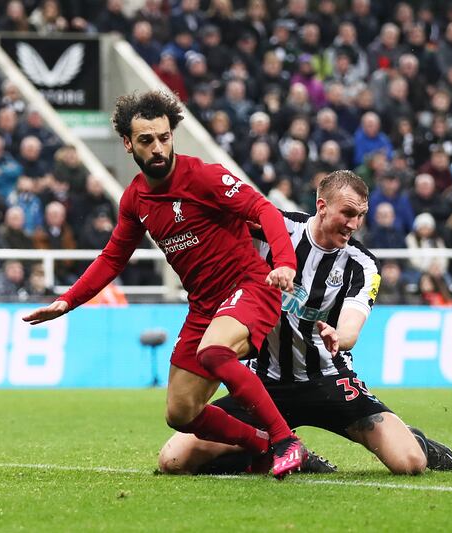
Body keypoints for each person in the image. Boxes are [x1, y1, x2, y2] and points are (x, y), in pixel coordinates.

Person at [21, 91, 307, 479]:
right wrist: (67, 301)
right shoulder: (135, 199)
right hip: (204, 306)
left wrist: (285, 263)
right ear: (128, 143)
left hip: (250, 286)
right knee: (180, 412)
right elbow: (112, 258)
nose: (157, 148)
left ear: (172, 134)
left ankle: (285, 440)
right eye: (146, 140)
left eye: (164, 137)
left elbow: (263, 209)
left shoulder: (204, 176)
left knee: (214, 352)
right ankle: (257, 445)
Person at [158, 171, 452, 475]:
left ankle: (417, 440)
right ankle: (289, 454)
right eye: (348, 213)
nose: (354, 224)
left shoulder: (362, 264)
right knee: (173, 459)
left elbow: (351, 327)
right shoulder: (275, 228)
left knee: (409, 463)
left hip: (326, 379)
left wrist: (339, 337)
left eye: (361, 215)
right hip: (263, 384)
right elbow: (219, 220)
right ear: (322, 206)